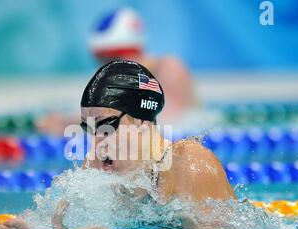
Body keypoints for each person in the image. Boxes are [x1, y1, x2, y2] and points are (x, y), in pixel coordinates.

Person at [0, 60, 234, 229]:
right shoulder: (98, 162)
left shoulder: (187, 163)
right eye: (88, 129)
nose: (96, 143)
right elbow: (59, 223)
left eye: (106, 126)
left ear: (142, 121)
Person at [37, 7, 197, 135]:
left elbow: (169, 121)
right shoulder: (119, 85)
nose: (107, 67)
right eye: (101, 60)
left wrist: (72, 124)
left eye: (111, 58)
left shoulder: (168, 68)